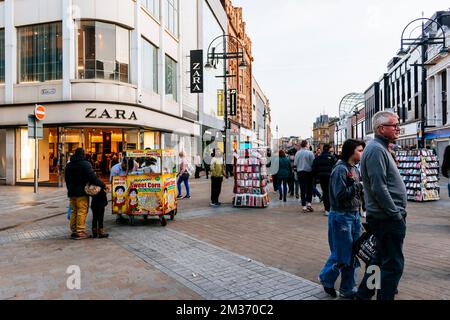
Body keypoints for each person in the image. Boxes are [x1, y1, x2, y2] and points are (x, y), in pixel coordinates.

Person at [356, 111, 407, 300]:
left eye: (397, 124)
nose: (397, 128)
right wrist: (395, 214)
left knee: (378, 260)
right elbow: (379, 187)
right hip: (387, 218)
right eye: (394, 125)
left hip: (384, 217)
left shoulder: (381, 148)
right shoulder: (376, 149)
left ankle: (363, 295)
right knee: (392, 265)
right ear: (380, 128)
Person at [319, 139, 365, 299]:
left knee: (352, 252)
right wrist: (359, 186)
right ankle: (326, 278)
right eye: (360, 150)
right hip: (342, 216)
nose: (362, 153)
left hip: (354, 215)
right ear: (351, 151)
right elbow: (339, 196)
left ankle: (347, 287)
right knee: (341, 253)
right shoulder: (340, 169)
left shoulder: (354, 169)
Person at [65, 148, 106, 240]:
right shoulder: (85, 164)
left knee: (73, 211)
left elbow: (66, 179)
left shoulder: (69, 165)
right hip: (81, 193)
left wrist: (70, 189)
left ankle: (74, 231)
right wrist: (103, 185)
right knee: (81, 211)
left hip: (71, 192)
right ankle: (80, 231)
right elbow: (92, 177)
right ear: (83, 154)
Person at [312, 144, 337, 216]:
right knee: (330, 192)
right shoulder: (332, 157)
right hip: (330, 177)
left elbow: (314, 168)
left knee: (325, 192)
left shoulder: (318, 158)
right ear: (329, 149)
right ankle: (331, 207)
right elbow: (336, 167)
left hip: (322, 177)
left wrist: (316, 176)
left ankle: (327, 209)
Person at [294, 140, 316, 213]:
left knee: (302, 189)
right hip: (309, 172)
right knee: (309, 188)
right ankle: (309, 204)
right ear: (306, 145)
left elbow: (295, 164)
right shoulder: (310, 153)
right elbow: (313, 163)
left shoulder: (297, 153)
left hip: (300, 172)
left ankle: (304, 206)